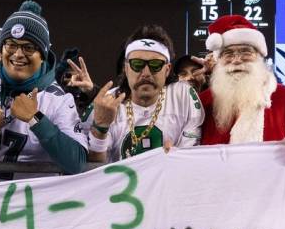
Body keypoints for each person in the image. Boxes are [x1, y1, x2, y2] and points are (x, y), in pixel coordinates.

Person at [0, 0, 88, 183]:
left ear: (42, 56)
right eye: (11, 45)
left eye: (28, 47)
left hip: (34, 207)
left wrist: (36, 119)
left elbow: (78, 163)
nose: (18, 54)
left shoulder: (57, 98)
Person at [198, 15, 285, 187]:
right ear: (218, 60)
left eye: (245, 52)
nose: (236, 60)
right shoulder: (204, 101)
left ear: (259, 56)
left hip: (272, 202)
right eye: (228, 54)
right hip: (218, 200)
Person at [87, 24, 203, 162]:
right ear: (126, 68)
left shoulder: (182, 95)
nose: (146, 73)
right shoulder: (107, 103)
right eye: (137, 64)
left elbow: (193, 157)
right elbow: (94, 169)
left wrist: (178, 156)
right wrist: (101, 127)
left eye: (155, 65)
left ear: (167, 70)